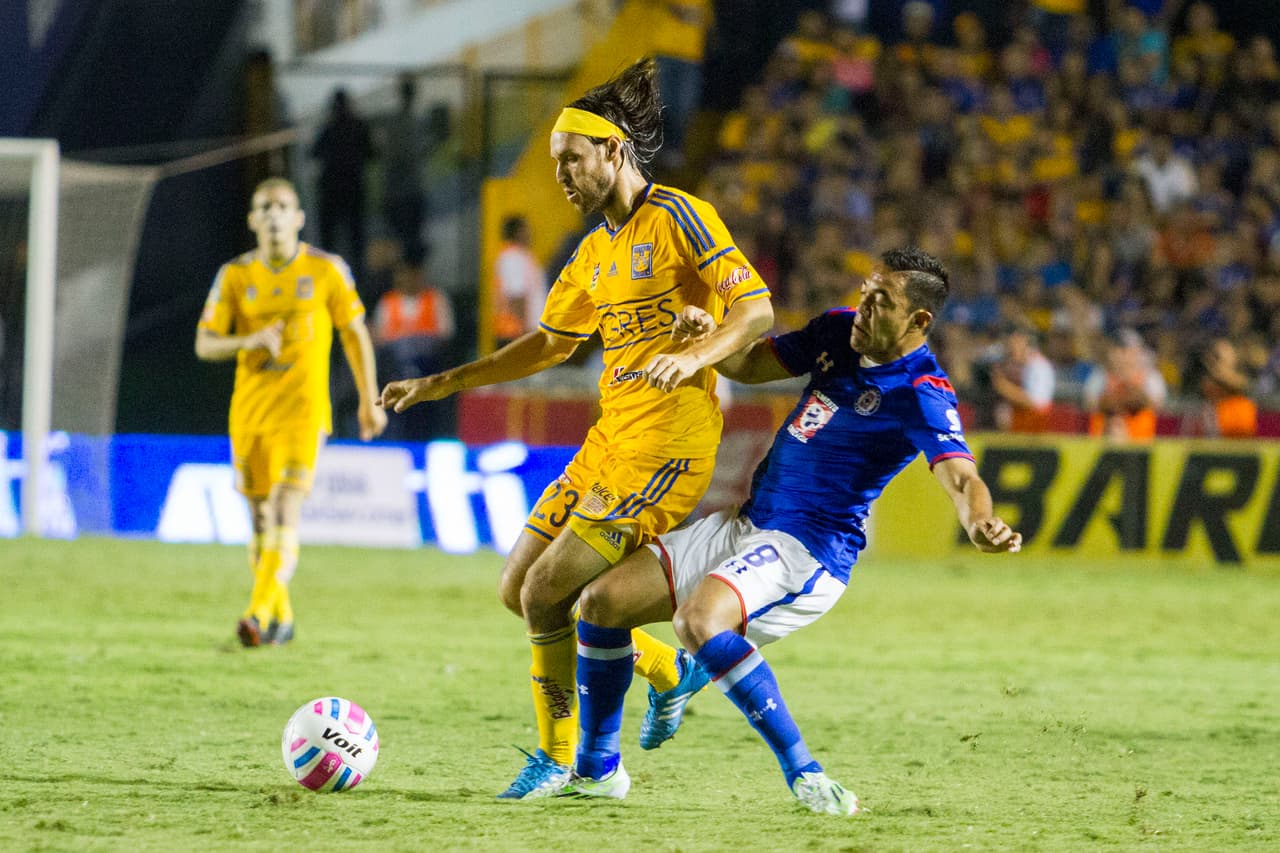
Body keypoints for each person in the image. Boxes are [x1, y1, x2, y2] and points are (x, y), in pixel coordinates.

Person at [377, 57, 774, 799]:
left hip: (669, 445)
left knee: (548, 592)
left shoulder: (678, 216)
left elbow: (755, 309)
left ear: (614, 152)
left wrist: (694, 354)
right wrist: (446, 378)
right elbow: (552, 342)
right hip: (608, 442)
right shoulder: (592, 251)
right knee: (519, 588)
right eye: (556, 162)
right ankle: (664, 669)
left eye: (571, 159)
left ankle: (564, 759)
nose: (560, 174)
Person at [557, 248, 1022, 815]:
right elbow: (748, 366)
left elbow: (961, 475)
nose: (863, 309)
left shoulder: (920, 391)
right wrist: (710, 337)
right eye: (865, 292)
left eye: (881, 303)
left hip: (809, 550)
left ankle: (806, 775)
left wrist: (980, 522)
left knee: (699, 621)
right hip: (749, 523)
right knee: (600, 604)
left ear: (918, 322)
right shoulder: (836, 331)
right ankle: (597, 769)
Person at [196, 177, 386, 647]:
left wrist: (369, 399)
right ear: (253, 220)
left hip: (304, 413)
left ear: (299, 217)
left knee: (284, 506)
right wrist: (248, 341)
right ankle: (281, 617)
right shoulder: (235, 275)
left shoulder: (327, 270)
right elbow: (204, 343)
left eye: (284, 206)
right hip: (250, 413)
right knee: (260, 519)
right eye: (266, 207)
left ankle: (257, 612)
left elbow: (355, 333)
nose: (275, 214)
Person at [371, 251, 455, 441]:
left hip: (428, 375)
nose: (408, 279)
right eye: (403, 274)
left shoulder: (436, 300)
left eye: (413, 273)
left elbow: (444, 337)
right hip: (395, 375)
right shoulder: (387, 304)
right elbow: (381, 341)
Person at [311, 88, 375, 282]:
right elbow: (372, 153)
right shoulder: (354, 127)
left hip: (337, 192)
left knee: (343, 243)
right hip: (347, 192)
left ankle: (337, 280)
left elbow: (314, 152)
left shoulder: (333, 128)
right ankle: (349, 281)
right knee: (353, 243)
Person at [1082, 329, 1167, 441]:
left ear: (1138, 352)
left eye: (1127, 350)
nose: (1122, 355)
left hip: (1141, 445)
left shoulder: (1151, 377)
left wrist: (1133, 394)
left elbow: (1157, 405)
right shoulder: (1099, 376)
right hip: (1101, 445)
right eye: (1118, 349)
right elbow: (1090, 405)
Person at [492, 215, 548, 347]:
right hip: (515, 334)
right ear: (518, 232)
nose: (530, 233)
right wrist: (523, 336)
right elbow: (517, 295)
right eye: (526, 229)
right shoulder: (513, 258)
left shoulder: (521, 256)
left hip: (522, 332)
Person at [990, 326, 1056, 432]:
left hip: (1035, 431)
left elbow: (1038, 404)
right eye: (1010, 343)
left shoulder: (1039, 366)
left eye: (1017, 342)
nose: (1012, 347)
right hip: (1008, 432)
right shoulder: (1005, 365)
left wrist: (1005, 388)